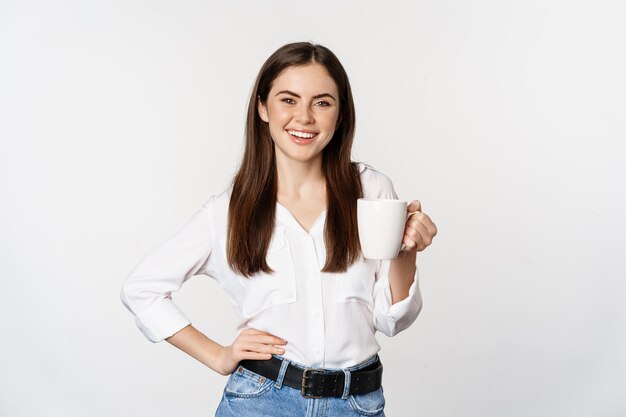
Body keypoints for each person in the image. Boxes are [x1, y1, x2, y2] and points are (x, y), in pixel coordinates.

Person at [120, 41, 437, 417]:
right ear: (262, 107)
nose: (304, 117)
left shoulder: (372, 192)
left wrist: (406, 254)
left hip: (356, 403)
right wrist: (218, 355)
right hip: (260, 401)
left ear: (340, 114)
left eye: (322, 102)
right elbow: (142, 289)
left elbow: (391, 320)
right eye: (288, 100)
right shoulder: (227, 211)